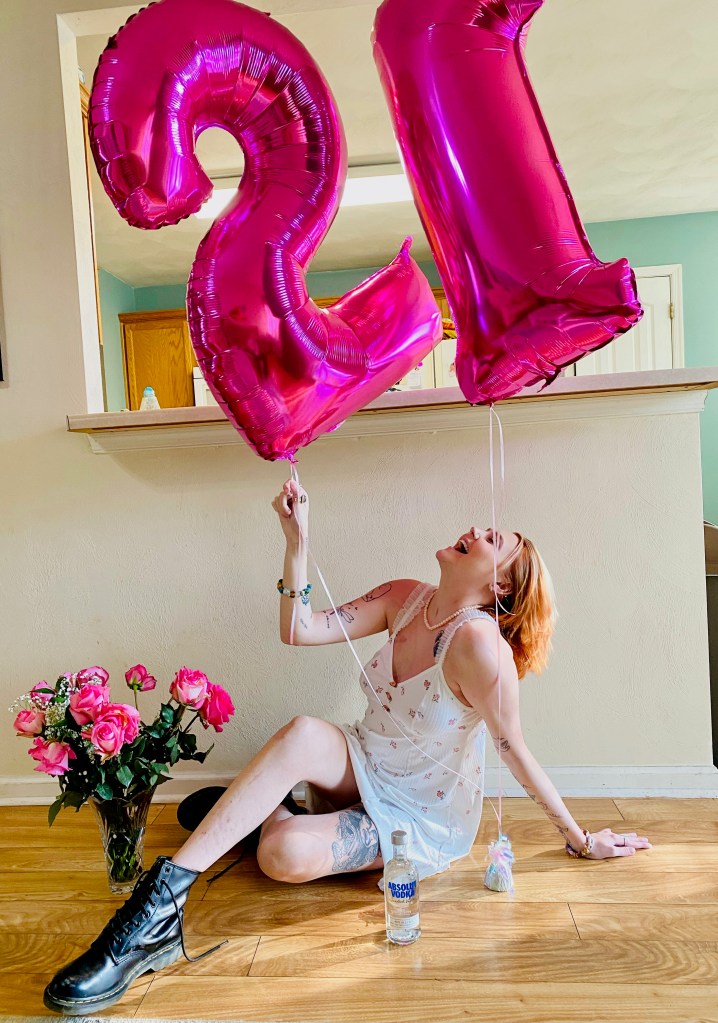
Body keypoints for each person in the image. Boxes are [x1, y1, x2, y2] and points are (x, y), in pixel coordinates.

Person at [44, 479, 652, 1015]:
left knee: (281, 856)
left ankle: (262, 814)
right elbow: (299, 630)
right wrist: (297, 541)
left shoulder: (482, 649)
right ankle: (154, 915)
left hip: (415, 814)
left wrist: (580, 839)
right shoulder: (404, 598)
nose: (474, 530)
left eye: (492, 539)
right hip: (361, 761)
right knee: (306, 731)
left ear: (500, 584)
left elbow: (515, 750)